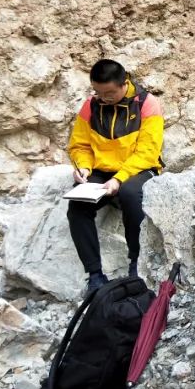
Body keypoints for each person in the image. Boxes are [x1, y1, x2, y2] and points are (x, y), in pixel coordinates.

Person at [68, 59, 164, 293]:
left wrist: (118, 180)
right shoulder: (91, 106)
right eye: (98, 92)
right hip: (101, 170)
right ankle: (95, 274)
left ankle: (135, 263)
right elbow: (80, 145)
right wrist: (83, 168)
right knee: (77, 206)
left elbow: (148, 151)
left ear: (124, 84)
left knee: (131, 194)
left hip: (139, 167)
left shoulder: (146, 104)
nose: (104, 97)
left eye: (109, 92)